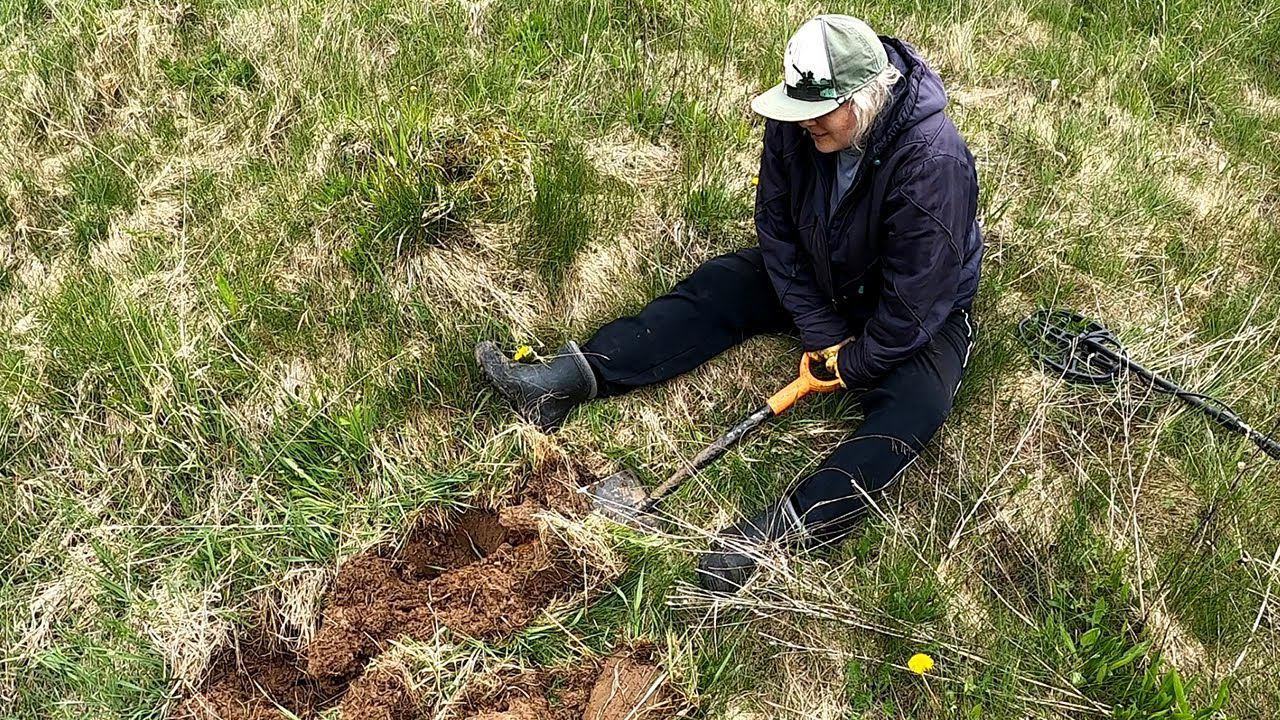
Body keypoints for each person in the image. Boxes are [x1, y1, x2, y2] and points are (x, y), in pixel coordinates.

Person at [475, 14, 982, 593]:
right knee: (719, 284)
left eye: (821, 110)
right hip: (825, 273)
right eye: (799, 106)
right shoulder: (798, 123)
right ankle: (570, 378)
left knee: (918, 405)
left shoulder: (932, 163)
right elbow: (776, 227)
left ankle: (773, 537)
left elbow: (919, 301)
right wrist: (819, 328)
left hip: (913, 311)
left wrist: (854, 363)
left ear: (865, 99)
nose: (805, 121)